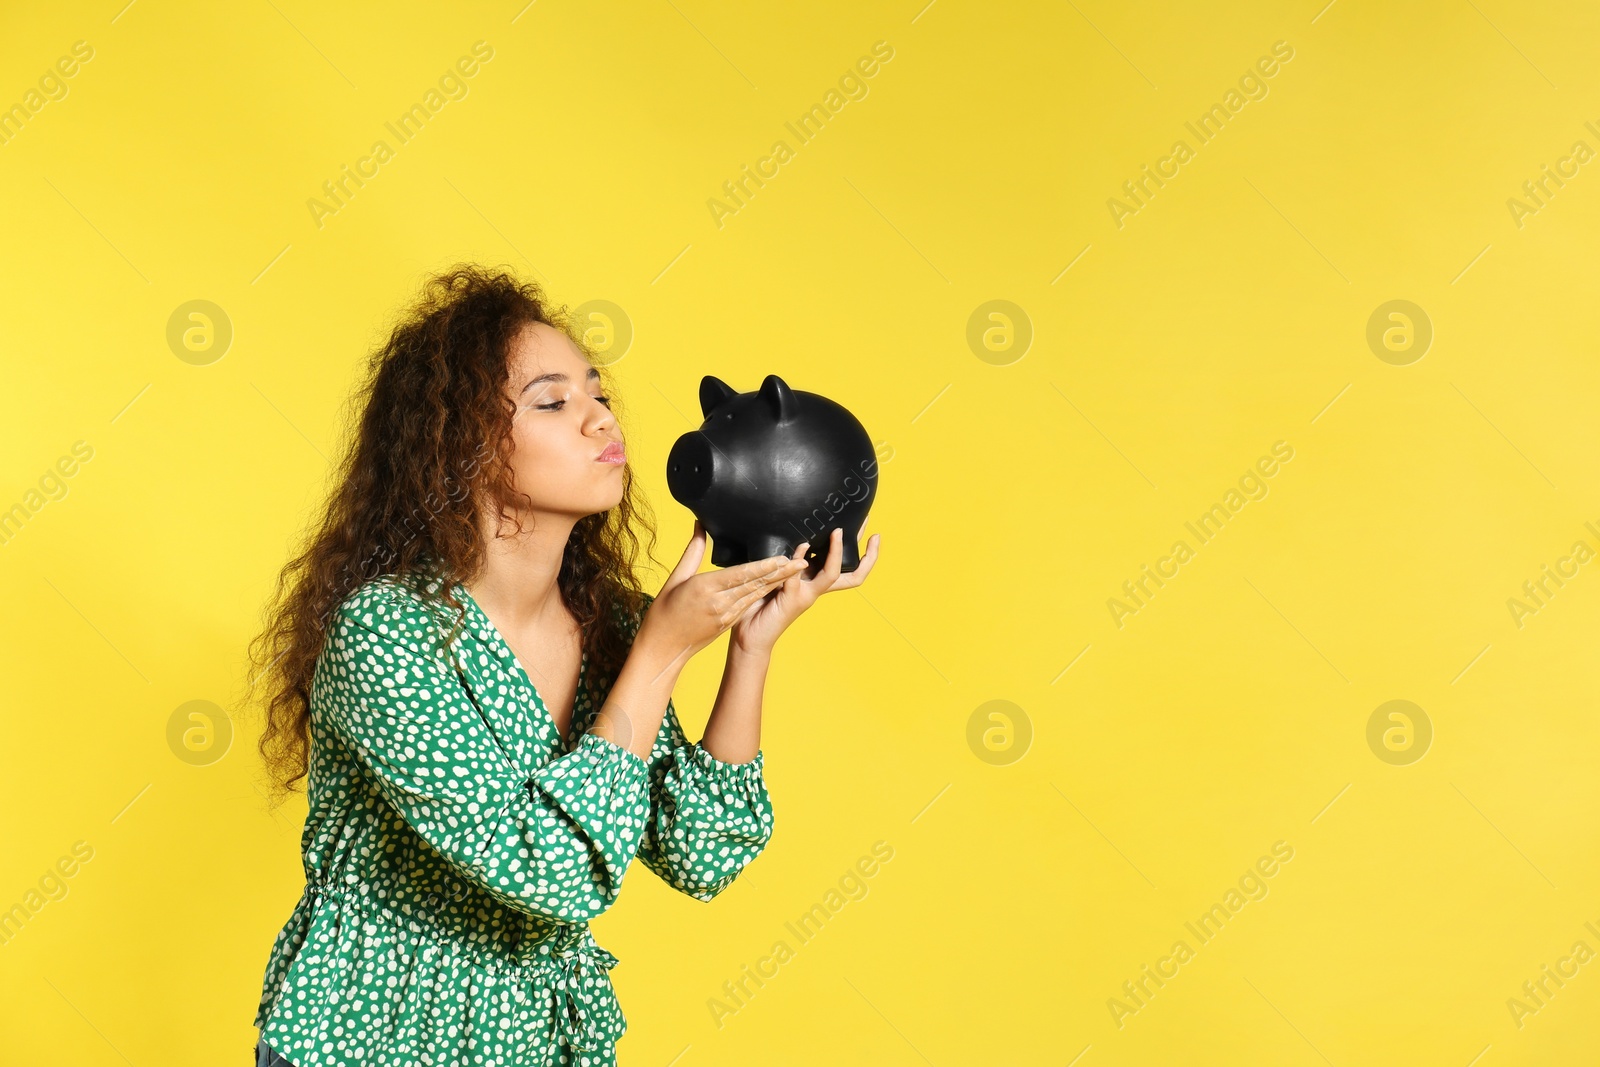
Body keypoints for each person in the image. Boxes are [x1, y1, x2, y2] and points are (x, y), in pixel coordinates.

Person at [243, 264, 880, 1066]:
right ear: (461, 447)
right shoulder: (386, 634)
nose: (598, 420)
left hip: (535, 1044)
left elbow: (702, 848)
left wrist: (749, 645)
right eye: (552, 401)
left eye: (598, 394)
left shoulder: (605, 619)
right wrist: (661, 652)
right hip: (372, 1039)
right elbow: (547, 870)